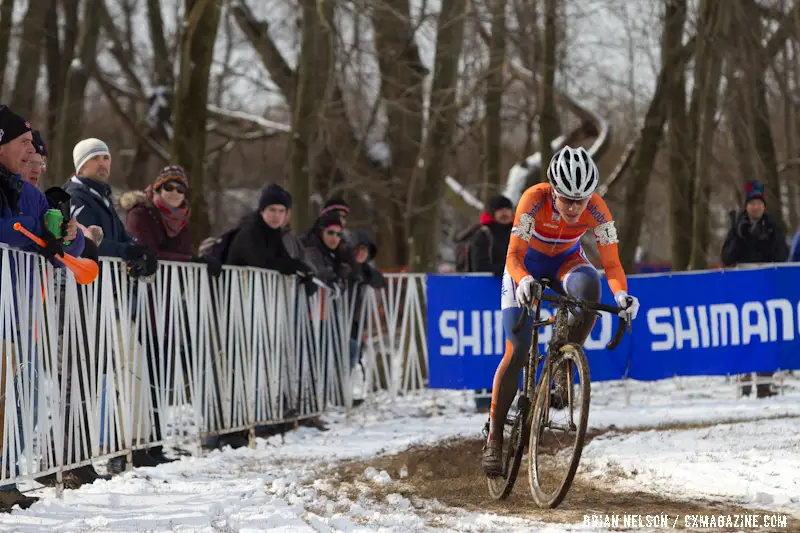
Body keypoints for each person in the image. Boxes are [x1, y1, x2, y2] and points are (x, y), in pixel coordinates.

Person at [482, 146, 640, 477]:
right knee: (518, 349)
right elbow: (512, 256)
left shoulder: (597, 209)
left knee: (590, 287)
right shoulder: (532, 200)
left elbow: (611, 263)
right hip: (525, 266)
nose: (573, 207)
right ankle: (495, 436)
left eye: (580, 200)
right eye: (566, 198)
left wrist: (622, 294)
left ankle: (561, 364)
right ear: (553, 189)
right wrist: (523, 280)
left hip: (567, 261)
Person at [721, 180, 788, 267]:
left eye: (759, 203)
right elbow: (726, 259)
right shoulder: (738, 227)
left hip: (766, 276)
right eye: (752, 204)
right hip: (744, 276)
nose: (756, 207)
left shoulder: (772, 226)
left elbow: (783, 257)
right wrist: (739, 239)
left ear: (764, 206)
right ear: (746, 206)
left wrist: (766, 241)